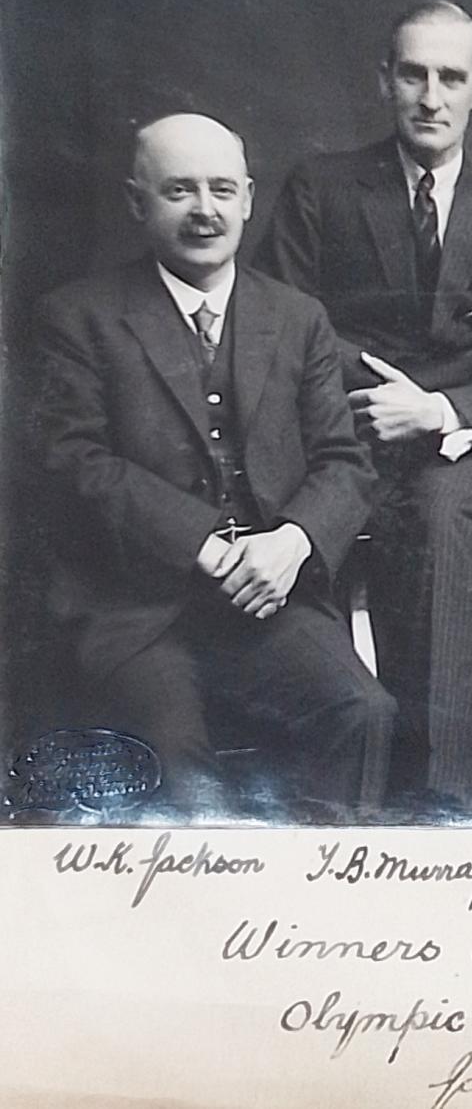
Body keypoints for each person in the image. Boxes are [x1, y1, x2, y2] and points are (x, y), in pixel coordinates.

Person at [36, 113, 395, 816]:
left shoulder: (297, 318)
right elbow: (71, 459)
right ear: (138, 203)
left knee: (362, 711)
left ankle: (318, 914)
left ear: (250, 199)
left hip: (268, 605)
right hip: (137, 611)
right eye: (180, 192)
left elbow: (344, 462)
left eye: (222, 190)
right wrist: (202, 545)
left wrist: (292, 543)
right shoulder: (78, 316)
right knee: (177, 764)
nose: (206, 211)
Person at [255, 0, 472, 809]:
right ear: (385, 80)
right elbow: (276, 324)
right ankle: (319, 794)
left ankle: (443, 800)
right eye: (413, 73)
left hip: (454, 449)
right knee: (298, 526)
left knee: (450, 522)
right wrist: (370, 398)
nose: (431, 95)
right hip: (337, 433)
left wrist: (440, 411)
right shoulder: (322, 187)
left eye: (451, 77)